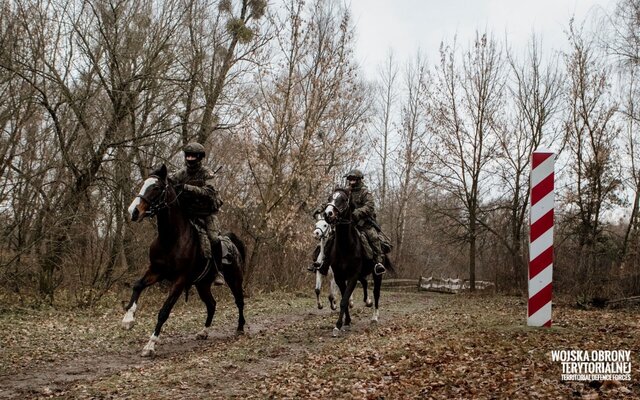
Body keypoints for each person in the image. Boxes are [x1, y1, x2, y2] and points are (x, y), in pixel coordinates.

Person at [309, 169, 386, 276]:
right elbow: (332, 202)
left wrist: (357, 213)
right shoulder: (344, 192)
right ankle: (323, 262)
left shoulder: (365, 193)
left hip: (363, 223)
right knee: (331, 238)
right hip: (346, 222)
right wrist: (321, 208)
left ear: (359, 180)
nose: (351, 181)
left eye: (354, 179)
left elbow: (369, 206)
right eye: (350, 179)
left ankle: (378, 262)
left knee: (373, 236)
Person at [171, 142, 225, 286]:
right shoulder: (182, 173)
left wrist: (187, 187)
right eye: (188, 155)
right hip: (189, 214)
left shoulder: (207, 173)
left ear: (199, 157)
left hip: (207, 214)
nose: (190, 158)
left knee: (214, 239)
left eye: (193, 156)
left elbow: (209, 192)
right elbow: (170, 180)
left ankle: (218, 271)